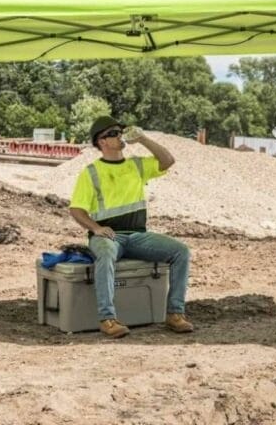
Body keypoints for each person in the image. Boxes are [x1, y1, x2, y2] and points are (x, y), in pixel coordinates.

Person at [68, 115, 193, 338]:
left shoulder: (136, 165)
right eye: (114, 133)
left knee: (180, 251)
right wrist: (96, 228)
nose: (120, 136)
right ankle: (107, 319)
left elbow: (168, 161)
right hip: (109, 236)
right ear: (102, 142)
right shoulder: (91, 173)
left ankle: (175, 314)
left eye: (120, 131)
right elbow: (76, 209)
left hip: (137, 236)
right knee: (105, 254)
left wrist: (143, 139)